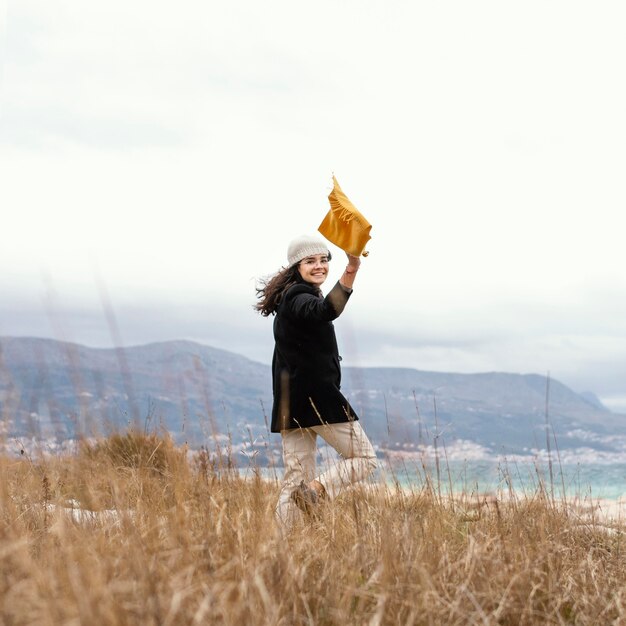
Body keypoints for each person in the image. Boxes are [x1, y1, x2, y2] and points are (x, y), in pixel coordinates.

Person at [255, 234, 377, 528]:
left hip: (290, 405)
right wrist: (351, 269)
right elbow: (327, 311)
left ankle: (282, 547)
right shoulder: (299, 298)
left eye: (323, 260)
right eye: (310, 261)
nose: (319, 266)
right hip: (317, 401)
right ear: (297, 266)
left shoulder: (290, 299)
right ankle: (316, 491)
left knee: (293, 481)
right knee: (365, 460)